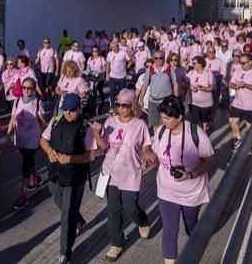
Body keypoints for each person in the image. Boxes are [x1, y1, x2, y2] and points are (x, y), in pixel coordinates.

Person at [149, 96, 215, 264]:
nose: (163, 122)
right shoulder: (161, 131)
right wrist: (149, 161)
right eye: (162, 117)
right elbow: (157, 155)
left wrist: (190, 175)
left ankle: (196, 252)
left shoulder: (196, 134)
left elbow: (210, 162)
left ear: (179, 117)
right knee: (169, 231)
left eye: (167, 118)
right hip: (166, 190)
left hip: (191, 192)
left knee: (191, 226)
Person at [91, 89, 154, 261]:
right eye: (117, 104)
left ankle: (141, 220)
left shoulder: (139, 124)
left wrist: (148, 153)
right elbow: (104, 146)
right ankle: (116, 244)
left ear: (132, 106)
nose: (120, 108)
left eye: (124, 105)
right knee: (113, 211)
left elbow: (146, 145)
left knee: (130, 208)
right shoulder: (110, 121)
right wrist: (97, 134)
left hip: (131, 173)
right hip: (111, 172)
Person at [40, 94, 97, 264]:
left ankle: (65, 253)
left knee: (66, 216)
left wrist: (70, 159)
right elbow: (43, 140)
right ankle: (78, 220)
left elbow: (92, 155)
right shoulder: (56, 121)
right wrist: (50, 152)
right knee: (59, 201)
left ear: (79, 109)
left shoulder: (85, 127)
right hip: (55, 174)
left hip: (74, 178)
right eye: (66, 110)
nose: (68, 113)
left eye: (72, 111)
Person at [7, 77, 47, 210]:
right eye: (24, 88)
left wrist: (42, 136)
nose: (26, 90)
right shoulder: (17, 101)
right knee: (27, 160)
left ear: (34, 88)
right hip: (20, 137)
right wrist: (8, 135)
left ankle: (22, 195)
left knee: (25, 164)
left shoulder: (37, 102)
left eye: (29, 88)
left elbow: (42, 121)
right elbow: (13, 119)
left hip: (32, 138)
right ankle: (37, 176)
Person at [229, 54, 252, 149]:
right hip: (238, 102)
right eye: (240, 63)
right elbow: (231, 83)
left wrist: (246, 85)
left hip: (251, 105)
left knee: (250, 127)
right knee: (232, 120)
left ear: (250, 62)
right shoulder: (238, 71)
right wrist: (235, 86)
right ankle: (239, 138)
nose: (241, 65)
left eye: (243, 63)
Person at [138, 50, 178, 131]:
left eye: (161, 58)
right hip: (153, 101)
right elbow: (144, 85)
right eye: (156, 58)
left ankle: (165, 140)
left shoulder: (169, 69)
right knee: (154, 123)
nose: (158, 60)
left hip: (166, 101)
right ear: (154, 59)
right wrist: (141, 99)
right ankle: (157, 140)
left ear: (164, 58)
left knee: (166, 122)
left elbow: (175, 84)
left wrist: (176, 99)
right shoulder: (150, 69)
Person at [187, 56, 215, 132]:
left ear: (200, 64)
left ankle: (204, 131)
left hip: (205, 102)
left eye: (194, 63)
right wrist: (191, 87)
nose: (193, 65)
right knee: (195, 119)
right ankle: (197, 133)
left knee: (204, 118)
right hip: (194, 102)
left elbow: (213, 87)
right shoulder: (191, 73)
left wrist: (204, 89)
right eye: (192, 63)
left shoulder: (209, 73)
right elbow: (186, 83)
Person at [106, 41, 131, 110]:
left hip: (122, 76)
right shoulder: (109, 54)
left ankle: (121, 107)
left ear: (118, 46)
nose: (114, 48)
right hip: (113, 76)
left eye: (115, 47)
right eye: (112, 47)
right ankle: (112, 108)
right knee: (112, 92)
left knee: (122, 93)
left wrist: (127, 68)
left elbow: (130, 61)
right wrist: (107, 73)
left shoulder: (123, 53)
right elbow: (108, 64)